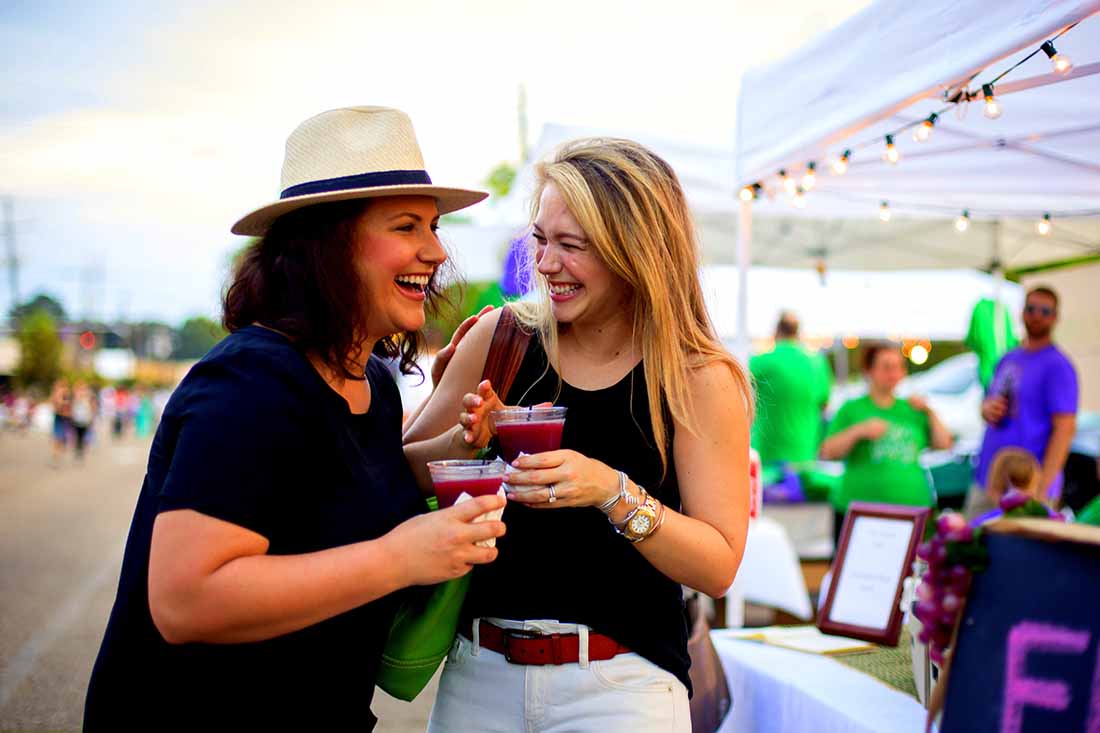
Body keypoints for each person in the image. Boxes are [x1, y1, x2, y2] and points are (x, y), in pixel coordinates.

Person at [84, 106, 506, 730]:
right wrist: (401, 556)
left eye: (435, 226)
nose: (436, 250)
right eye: (406, 225)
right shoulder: (252, 382)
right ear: (329, 244)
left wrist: (460, 443)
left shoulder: (371, 382)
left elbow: (348, 478)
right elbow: (185, 599)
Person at [404, 137, 753, 732]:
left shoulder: (697, 377)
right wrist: (463, 443)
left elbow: (717, 566)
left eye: (572, 245)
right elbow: (398, 472)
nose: (545, 265)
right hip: (479, 678)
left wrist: (611, 491)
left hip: (622, 690)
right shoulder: (502, 338)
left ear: (636, 252)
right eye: (540, 240)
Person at [820, 342, 953, 544]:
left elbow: (945, 444)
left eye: (899, 366)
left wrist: (930, 411)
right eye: (887, 367)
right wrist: (858, 431)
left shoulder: (912, 408)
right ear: (869, 370)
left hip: (912, 508)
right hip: (861, 511)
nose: (894, 373)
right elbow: (827, 452)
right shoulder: (852, 408)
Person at [968, 286, 1078, 517]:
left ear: (1055, 317)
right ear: (1022, 312)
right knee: (970, 547)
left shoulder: (1058, 366)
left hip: (1026, 485)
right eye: (1031, 308)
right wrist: (985, 409)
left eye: (1045, 311)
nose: (1037, 315)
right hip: (989, 478)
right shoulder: (1008, 357)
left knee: (1019, 551)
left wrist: (1041, 489)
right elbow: (988, 403)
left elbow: (1065, 430)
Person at [750, 311, 832, 466]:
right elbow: (824, 405)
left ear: (776, 332)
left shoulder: (761, 361)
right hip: (804, 454)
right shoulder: (817, 363)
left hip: (767, 454)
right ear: (797, 333)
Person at [48, 379, 71, 466]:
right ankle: (56, 458)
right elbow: (56, 406)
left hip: (63, 418)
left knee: (59, 439)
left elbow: (66, 406)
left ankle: (57, 457)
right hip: (58, 418)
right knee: (57, 439)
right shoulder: (57, 395)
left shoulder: (65, 395)